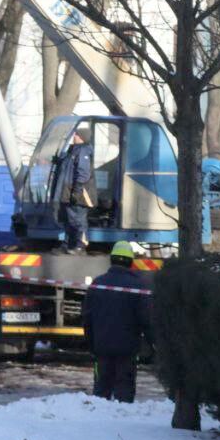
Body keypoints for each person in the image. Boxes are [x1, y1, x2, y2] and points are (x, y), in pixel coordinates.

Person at [82, 241, 153, 403]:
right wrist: (152, 345)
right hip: (128, 349)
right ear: (131, 261)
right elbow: (146, 319)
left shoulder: (97, 284)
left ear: (112, 259)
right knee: (124, 391)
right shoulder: (138, 286)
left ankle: (101, 420)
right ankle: (123, 417)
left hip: (102, 347)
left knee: (101, 390)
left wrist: (91, 344)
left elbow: (87, 317)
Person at [59, 127, 96, 253]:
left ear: (81, 137)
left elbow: (83, 173)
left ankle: (81, 245)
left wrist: (77, 190)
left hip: (78, 193)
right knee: (69, 219)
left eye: (76, 135)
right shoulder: (73, 151)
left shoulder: (83, 151)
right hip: (69, 191)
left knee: (78, 219)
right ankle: (68, 244)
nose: (74, 136)